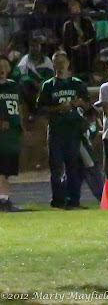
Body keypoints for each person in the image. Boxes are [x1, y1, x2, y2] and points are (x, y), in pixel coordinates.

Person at [37, 51, 90, 209]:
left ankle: (74, 200)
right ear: (53, 64)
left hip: (74, 130)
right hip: (56, 130)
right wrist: (60, 108)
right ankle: (58, 199)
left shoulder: (77, 84)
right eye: (57, 62)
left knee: (74, 166)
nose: (60, 65)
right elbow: (41, 109)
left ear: (68, 63)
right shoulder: (48, 85)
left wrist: (80, 103)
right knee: (56, 167)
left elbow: (89, 106)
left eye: (63, 62)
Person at [0, 54, 23, 211]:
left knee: (7, 169)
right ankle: (3, 200)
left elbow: (19, 106)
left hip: (12, 133)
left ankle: (4, 199)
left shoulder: (13, 86)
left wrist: (21, 124)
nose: (2, 69)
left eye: (4, 66)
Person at [14, 38, 53, 116]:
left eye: (36, 46)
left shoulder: (47, 60)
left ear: (40, 47)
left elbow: (50, 76)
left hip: (43, 86)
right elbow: (19, 75)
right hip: (29, 87)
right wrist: (32, 82)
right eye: (32, 46)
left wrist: (42, 83)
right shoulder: (25, 60)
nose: (34, 48)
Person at [62, 0, 96, 77]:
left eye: (77, 8)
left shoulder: (87, 21)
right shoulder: (68, 25)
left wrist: (85, 43)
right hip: (74, 48)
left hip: (87, 46)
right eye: (73, 9)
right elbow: (66, 41)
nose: (75, 11)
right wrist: (74, 46)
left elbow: (92, 36)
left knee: (87, 50)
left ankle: (89, 73)